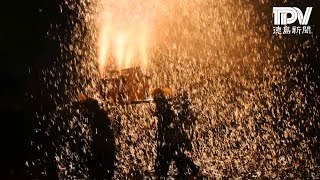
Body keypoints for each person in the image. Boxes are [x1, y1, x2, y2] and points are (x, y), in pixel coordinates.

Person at [152, 88, 199, 178]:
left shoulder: (166, 107)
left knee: (170, 159)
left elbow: (170, 122)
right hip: (169, 138)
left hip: (170, 138)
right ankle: (192, 168)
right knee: (176, 157)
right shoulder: (164, 106)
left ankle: (192, 169)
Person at [79, 96, 116, 180]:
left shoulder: (98, 116)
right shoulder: (100, 114)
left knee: (100, 173)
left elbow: (98, 135)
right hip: (105, 150)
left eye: (86, 108)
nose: (85, 111)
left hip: (103, 151)